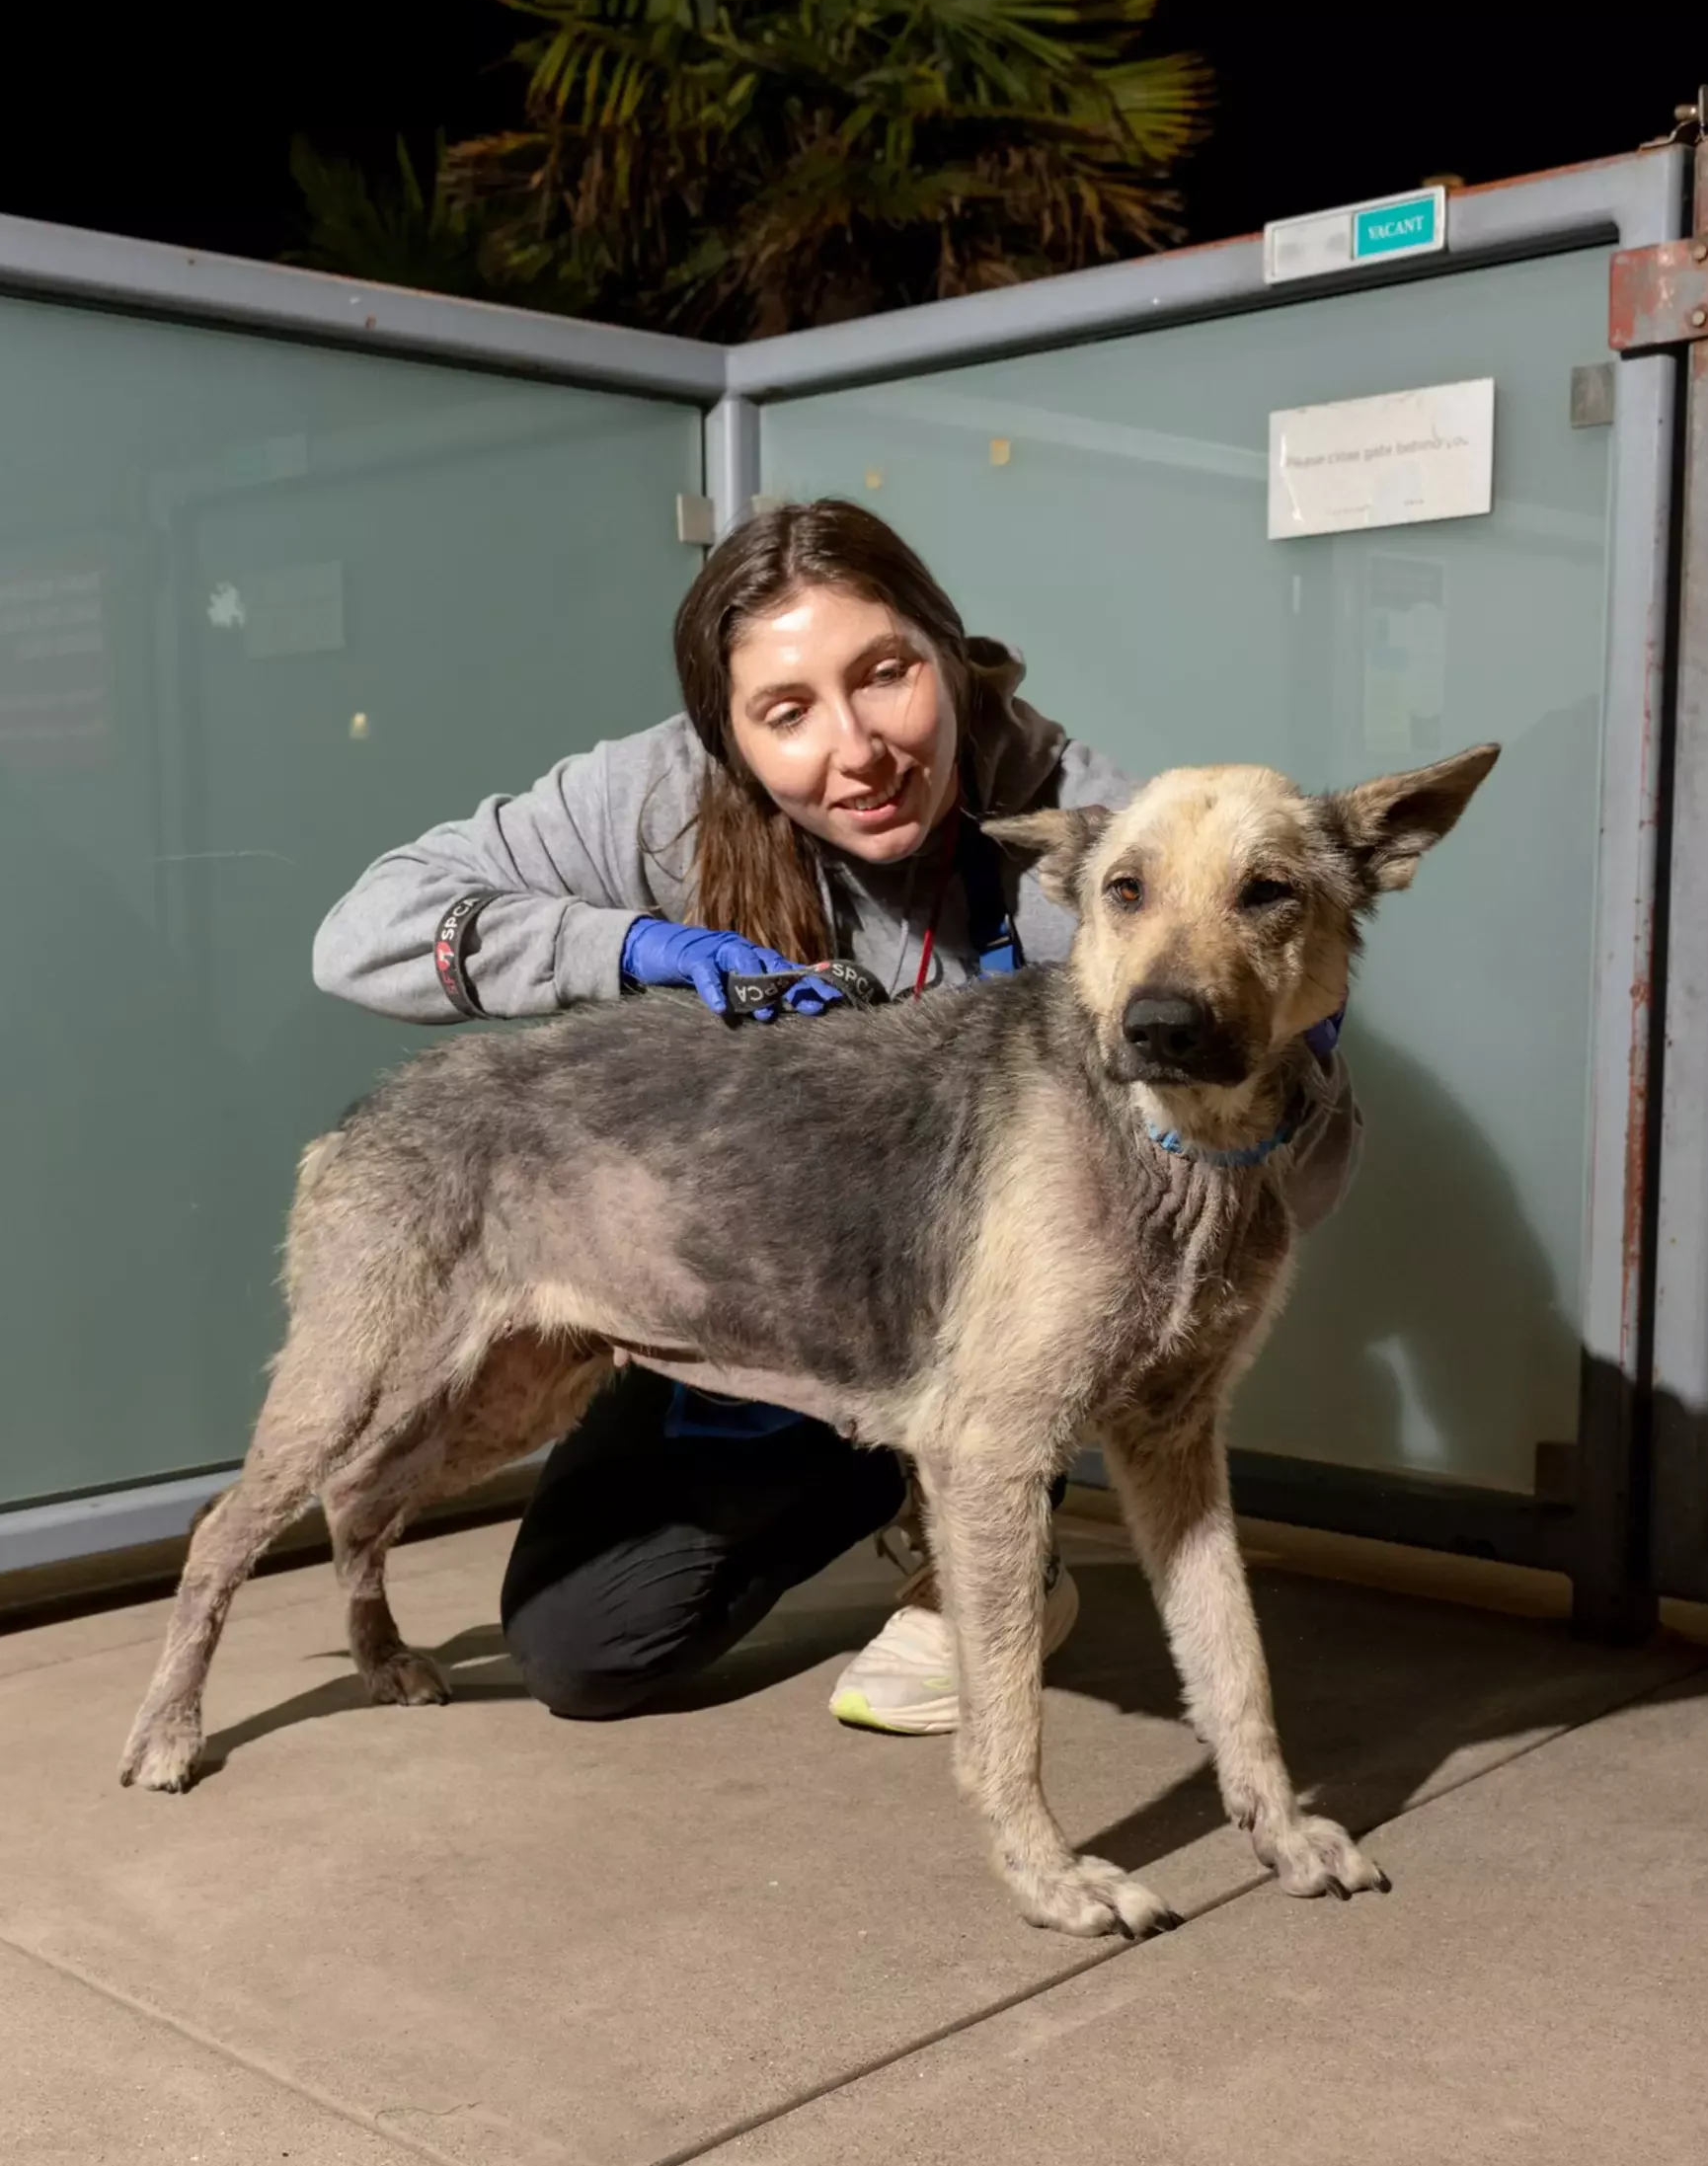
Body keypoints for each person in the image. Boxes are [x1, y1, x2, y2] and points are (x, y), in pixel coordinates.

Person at [313, 501, 1359, 1733]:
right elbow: (360, 934)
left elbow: (1261, 1175)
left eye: (887, 674)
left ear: (948, 652)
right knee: (582, 1646)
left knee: (1017, 1360)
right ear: (728, 729)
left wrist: (1277, 1055)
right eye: (787, 710)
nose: (855, 746)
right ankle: (885, 1491)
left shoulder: (1091, 838)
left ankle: (984, 1521)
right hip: (755, 1294)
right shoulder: (652, 792)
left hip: (971, 1322)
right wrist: (626, 945)